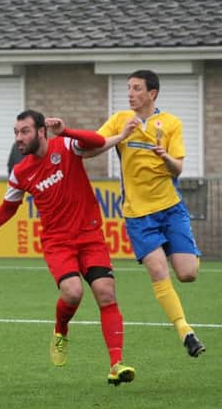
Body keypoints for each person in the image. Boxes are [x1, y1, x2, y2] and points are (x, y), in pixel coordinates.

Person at [0, 109, 136, 386]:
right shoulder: (20, 172)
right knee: (72, 293)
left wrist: (67, 131)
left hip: (89, 235)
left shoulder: (66, 146)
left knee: (105, 292)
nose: (18, 138)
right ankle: (61, 330)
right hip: (57, 242)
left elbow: (97, 142)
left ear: (41, 131)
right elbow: (7, 210)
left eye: (24, 131)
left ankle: (116, 364)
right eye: (16, 132)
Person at [88, 69, 205, 357]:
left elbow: (178, 168)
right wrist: (121, 136)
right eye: (128, 88)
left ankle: (173, 247)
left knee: (188, 274)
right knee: (157, 270)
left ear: (151, 93)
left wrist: (166, 158)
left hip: (171, 209)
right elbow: (89, 149)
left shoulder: (171, 123)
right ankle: (185, 331)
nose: (130, 93)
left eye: (136, 88)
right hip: (139, 216)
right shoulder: (118, 120)